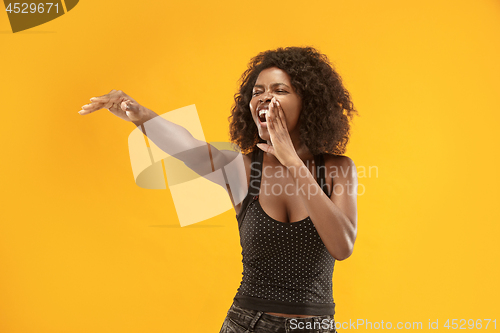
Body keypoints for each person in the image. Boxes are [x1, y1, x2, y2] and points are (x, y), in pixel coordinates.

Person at [79, 46, 359, 333]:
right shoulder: (243, 169)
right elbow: (189, 147)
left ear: (307, 102)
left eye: (279, 90)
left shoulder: (338, 169)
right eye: (257, 91)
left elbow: (341, 246)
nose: (264, 97)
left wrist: (291, 160)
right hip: (247, 324)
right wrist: (140, 114)